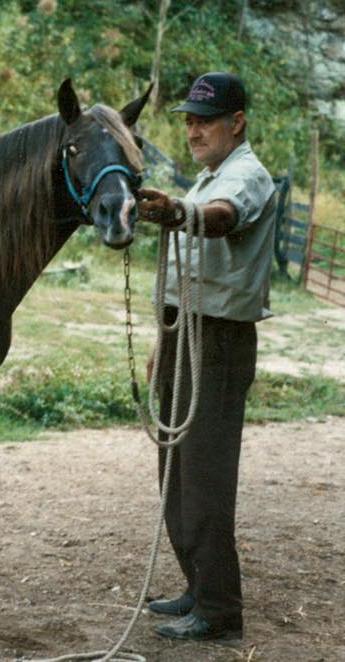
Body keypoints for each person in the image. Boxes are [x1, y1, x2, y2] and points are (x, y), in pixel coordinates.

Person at [136, 71, 277, 641]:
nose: (194, 130)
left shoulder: (245, 176)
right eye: (189, 120)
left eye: (205, 120)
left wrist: (179, 213)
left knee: (206, 480)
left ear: (236, 122)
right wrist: (160, 344)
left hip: (216, 340)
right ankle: (198, 585)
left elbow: (220, 218)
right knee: (173, 471)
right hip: (182, 332)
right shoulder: (206, 175)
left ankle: (220, 612)